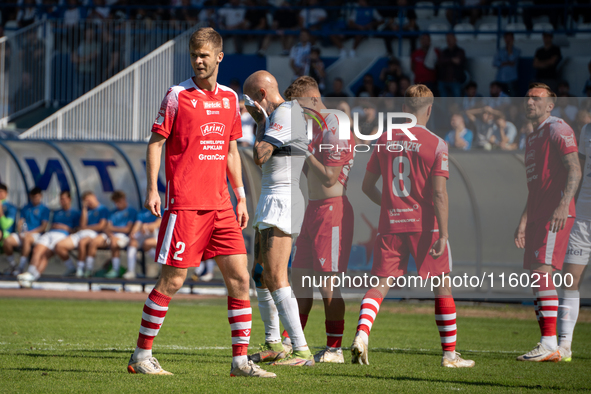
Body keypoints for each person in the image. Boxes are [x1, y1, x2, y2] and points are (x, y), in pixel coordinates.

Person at [128, 28, 274, 378]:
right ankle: (141, 355)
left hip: (222, 205)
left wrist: (239, 196)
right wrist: (153, 190)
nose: (198, 60)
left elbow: (230, 151)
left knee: (240, 279)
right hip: (187, 204)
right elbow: (154, 144)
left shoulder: (228, 99)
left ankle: (240, 362)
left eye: (205, 54)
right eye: (195, 54)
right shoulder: (177, 95)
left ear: (219, 56)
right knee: (173, 281)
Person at [350, 84, 474, 368]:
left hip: (391, 224)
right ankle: (449, 355)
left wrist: (391, 206)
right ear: (429, 110)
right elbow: (440, 193)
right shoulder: (436, 143)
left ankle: (361, 333)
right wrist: (443, 233)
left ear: (404, 109)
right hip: (425, 226)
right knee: (442, 286)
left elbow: (368, 186)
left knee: (379, 285)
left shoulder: (384, 139)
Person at [242, 70, 314, 366]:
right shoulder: (277, 116)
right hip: (272, 198)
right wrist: (261, 120)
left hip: (283, 199)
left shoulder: (286, 112)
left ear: (260, 94)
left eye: (249, 98)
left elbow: (260, 154)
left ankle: (301, 350)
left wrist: (259, 120)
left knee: (275, 275)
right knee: (260, 273)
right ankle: (274, 343)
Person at [283, 76, 355, 364]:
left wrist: (303, 151)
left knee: (328, 283)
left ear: (313, 99)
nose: (299, 113)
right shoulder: (314, 127)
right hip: (314, 209)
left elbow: (329, 176)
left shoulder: (336, 121)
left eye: (301, 107)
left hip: (332, 209)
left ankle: (334, 348)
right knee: (300, 281)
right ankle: (293, 344)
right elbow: (309, 173)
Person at [514, 82, 581, 362]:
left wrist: (563, 205)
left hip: (555, 213)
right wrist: (523, 221)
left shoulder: (558, 128)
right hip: (538, 214)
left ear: (550, 105)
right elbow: (535, 188)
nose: (530, 102)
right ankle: (548, 343)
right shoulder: (532, 137)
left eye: (536, 98)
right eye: (527, 97)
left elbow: (574, 170)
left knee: (543, 271)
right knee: (536, 275)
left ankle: (549, 342)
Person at [558, 122, 591, 362]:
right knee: (570, 278)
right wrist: (566, 204)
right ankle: (564, 345)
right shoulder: (586, 130)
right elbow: (578, 170)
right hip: (583, 219)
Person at [16, 191, 81, 288]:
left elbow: (77, 230)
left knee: (46, 255)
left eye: (64, 199)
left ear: (69, 199)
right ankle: (29, 273)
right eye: (60, 199)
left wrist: (66, 228)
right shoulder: (57, 212)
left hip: (62, 235)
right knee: (37, 250)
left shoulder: (75, 213)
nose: (62, 201)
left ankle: (33, 278)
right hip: (50, 233)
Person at [54, 191, 110, 278]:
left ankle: (82, 269)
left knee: (82, 242)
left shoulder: (103, 209)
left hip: (95, 234)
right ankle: (72, 268)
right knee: (59, 246)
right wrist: (84, 208)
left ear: (94, 197)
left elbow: (101, 226)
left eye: (89, 199)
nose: (89, 202)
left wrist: (86, 228)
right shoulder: (85, 210)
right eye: (86, 201)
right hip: (82, 233)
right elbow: (82, 225)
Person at [86, 191, 137, 279]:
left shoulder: (131, 211)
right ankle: (88, 269)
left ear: (124, 199)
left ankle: (115, 269)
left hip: (124, 237)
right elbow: (106, 228)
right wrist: (111, 234)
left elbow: (127, 229)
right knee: (93, 242)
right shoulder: (112, 212)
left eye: (119, 201)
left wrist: (112, 229)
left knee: (114, 242)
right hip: (110, 236)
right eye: (115, 202)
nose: (117, 204)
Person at [3, 187, 50, 275]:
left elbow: (43, 227)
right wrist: (20, 231)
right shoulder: (26, 207)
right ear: (30, 197)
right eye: (34, 197)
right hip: (24, 234)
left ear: (41, 196)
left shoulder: (44, 209)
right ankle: (13, 265)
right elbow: (20, 221)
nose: (36, 199)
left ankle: (21, 267)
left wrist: (29, 233)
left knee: (27, 239)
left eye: (37, 197)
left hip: (37, 235)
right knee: (7, 241)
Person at [125, 208, 162, 280]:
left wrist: (146, 226)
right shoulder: (142, 212)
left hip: (157, 236)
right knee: (133, 242)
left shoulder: (160, 210)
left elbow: (157, 224)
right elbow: (136, 226)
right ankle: (131, 271)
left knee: (148, 243)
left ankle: (164, 266)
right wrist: (133, 233)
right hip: (143, 236)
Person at [436, 34, 466, 98]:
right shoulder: (444, 51)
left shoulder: (460, 51)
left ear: (455, 39)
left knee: (457, 101)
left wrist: (446, 60)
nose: (449, 41)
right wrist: (451, 60)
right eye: (448, 39)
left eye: (451, 39)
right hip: (443, 80)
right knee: (443, 102)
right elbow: (440, 61)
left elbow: (458, 61)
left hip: (455, 80)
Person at [493, 32, 521, 96]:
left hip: (511, 79)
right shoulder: (500, 51)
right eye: (506, 38)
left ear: (513, 39)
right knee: (499, 97)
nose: (508, 40)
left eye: (510, 39)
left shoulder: (517, 51)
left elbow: (512, 60)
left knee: (512, 98)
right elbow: (495, 63)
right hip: (500, 79)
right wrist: (506, 63)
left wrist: (509, 49)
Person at [0, 183, 17, 251]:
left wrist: (1, 212)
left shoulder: (11, 207)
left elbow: (5, 226)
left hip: (6, 234)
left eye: (1, 191)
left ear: (6, 193)